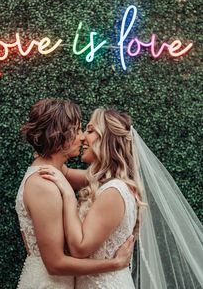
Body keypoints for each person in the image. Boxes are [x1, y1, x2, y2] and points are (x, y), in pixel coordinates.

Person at [39, 108, 203, 289]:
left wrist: (69, 195)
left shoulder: (114, 192)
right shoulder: (104, 182)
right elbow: (66, 172)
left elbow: (79, 248)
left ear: (107, 139)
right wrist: (47, 145)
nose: (83, 137)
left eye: (90, 130)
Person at [15, 99, 134, 289]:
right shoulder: (45, 184)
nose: (81, 137)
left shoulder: (56, 172)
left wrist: (114, 159)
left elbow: (95, 177)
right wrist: (115, 264)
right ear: (60, 136)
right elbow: (55, 264)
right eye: (78, 130)